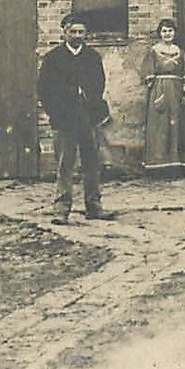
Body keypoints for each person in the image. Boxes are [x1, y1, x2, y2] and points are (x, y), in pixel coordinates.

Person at [38, 15, 117, 223]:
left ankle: (94, 205)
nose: (77, 36)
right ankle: (61, 208)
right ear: (64, 32)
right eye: (73, 32)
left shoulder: (92, 57)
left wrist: (91, 103)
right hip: (64, 118)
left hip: (88, 116)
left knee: (92, 162)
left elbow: (99, 84)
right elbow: (44, 89)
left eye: (81, 32)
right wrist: (56, 111)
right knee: (66, 163)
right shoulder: (53, 58)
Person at [139, 19, 185, 169]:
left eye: (170, 31)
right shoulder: (154, 50)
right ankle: (158, 163)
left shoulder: (180, 52)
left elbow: (184, 72)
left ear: (174, 33)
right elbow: (147, 71)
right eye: (164, 31)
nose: (167, 34)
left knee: (176, 123)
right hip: (159, 88)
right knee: (160, 124)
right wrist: (153, 86)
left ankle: (176, 162)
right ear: (159, 33)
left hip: (176, 89)